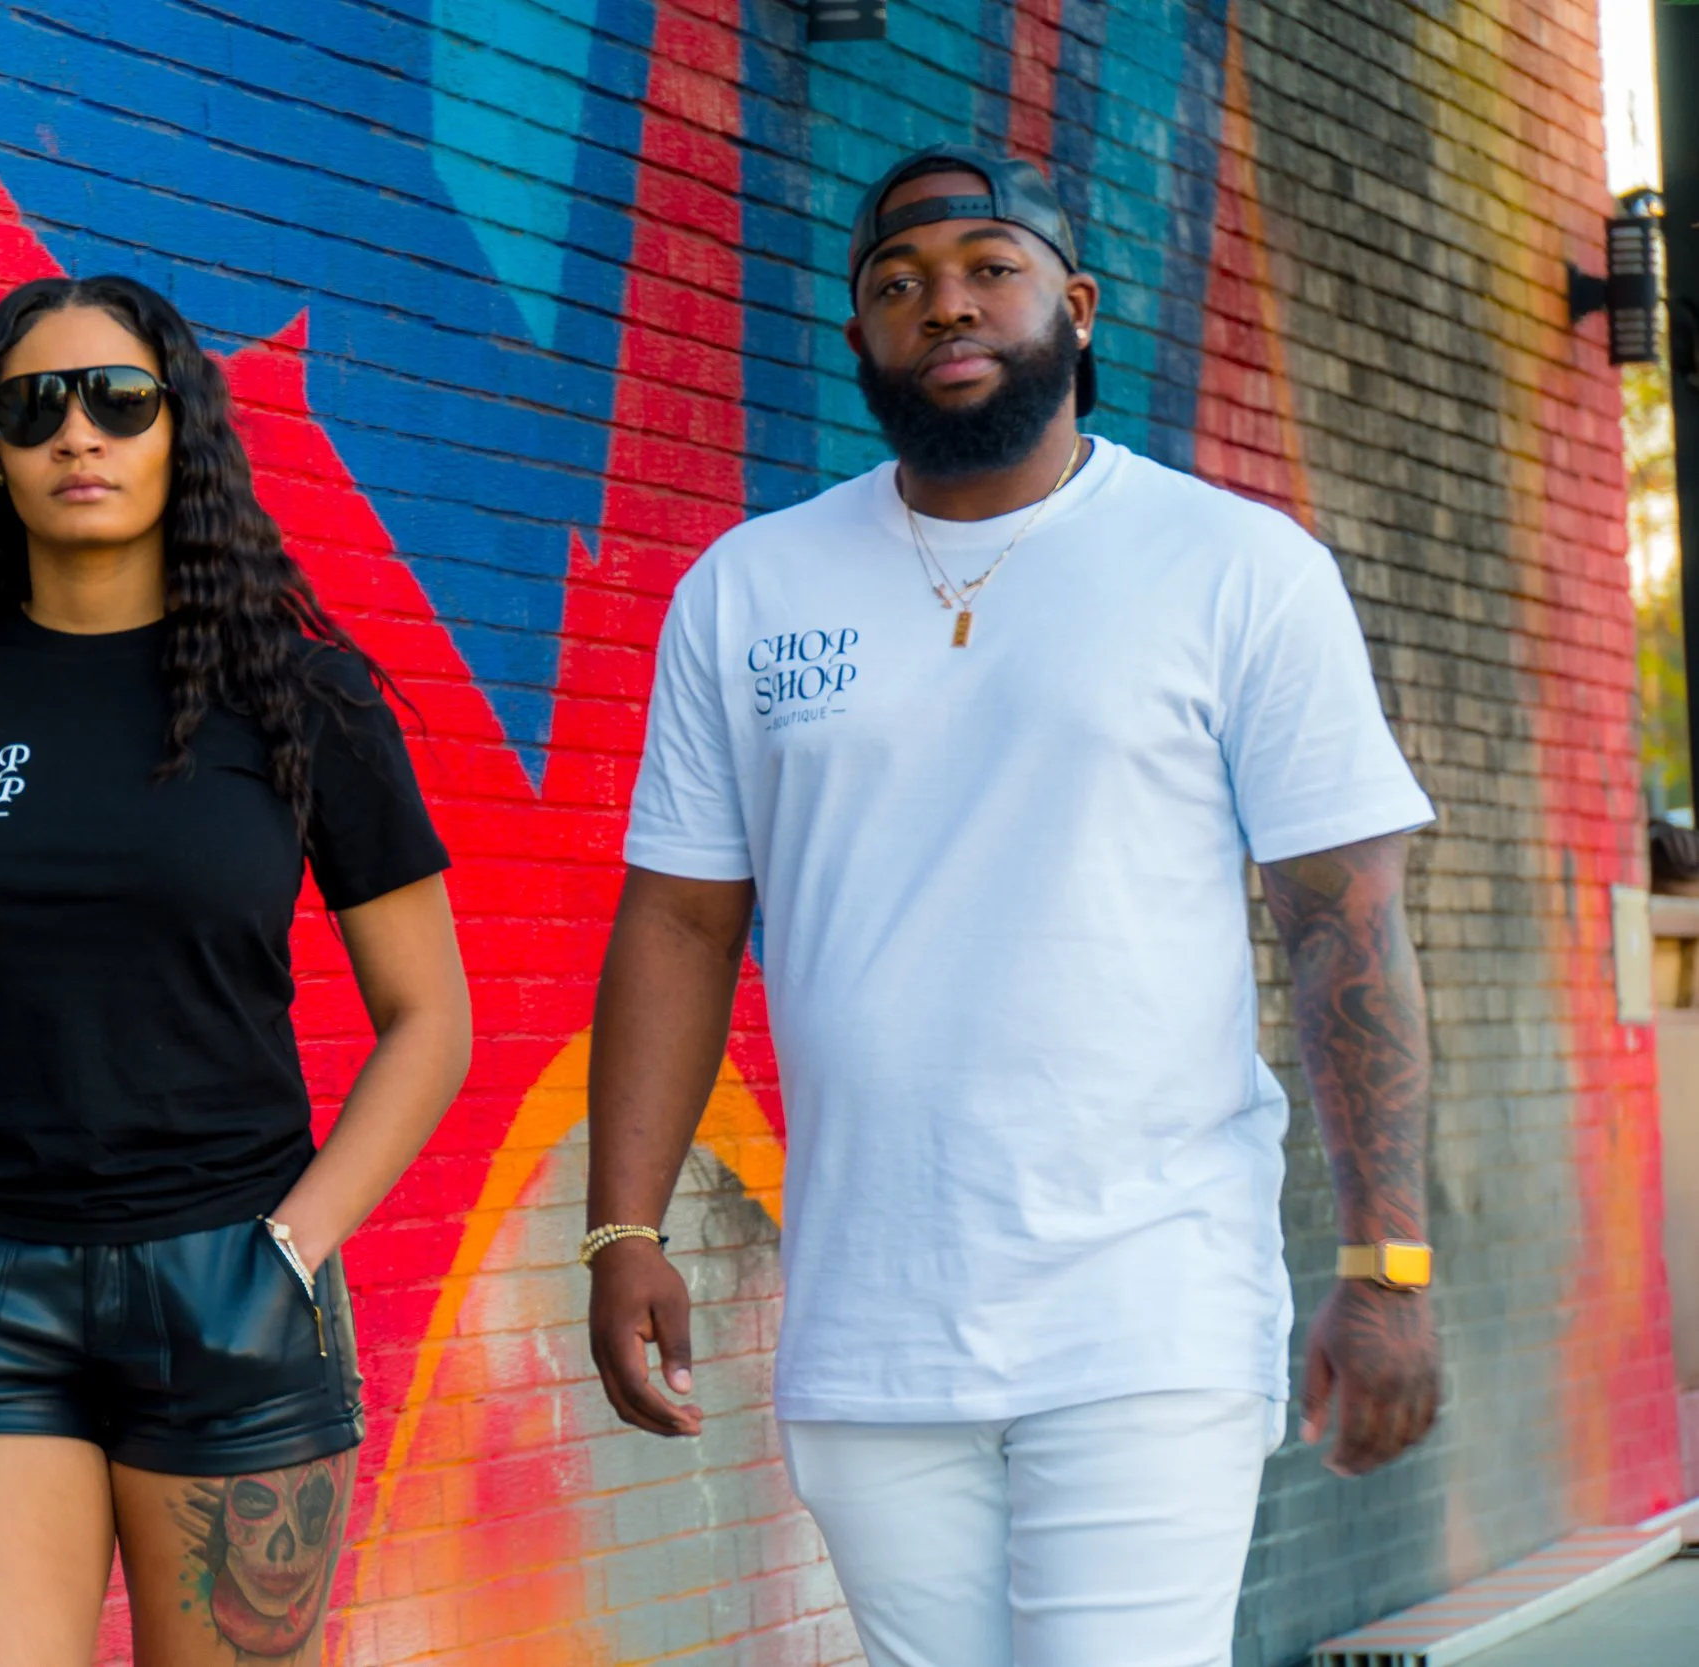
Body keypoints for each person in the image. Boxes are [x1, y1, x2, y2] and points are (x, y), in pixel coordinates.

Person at [583, 148, 1439, 1666]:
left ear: (1079, 304)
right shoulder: (751, 587)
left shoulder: (1237, 567)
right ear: (857, 336)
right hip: (868, 1325)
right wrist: (621, 1227)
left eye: (991, 267)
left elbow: (1342, 923)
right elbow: (679, 921)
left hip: (1145, 1303)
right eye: (898, 285)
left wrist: (1387, 1259)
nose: (946, 305)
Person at [0, 274, 472, 1667]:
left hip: (234, 1290)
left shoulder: (297, 694)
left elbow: (429, 1016)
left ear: (182, 434)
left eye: (120, 399)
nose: (78, 434)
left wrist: (294, 1247)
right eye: (35, 406)